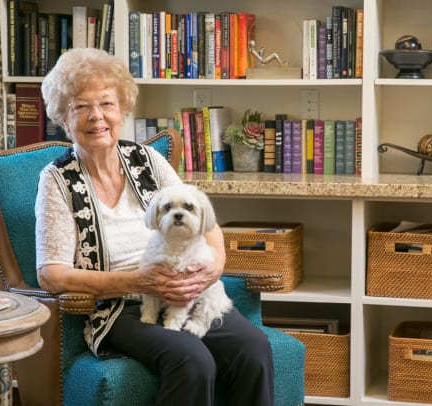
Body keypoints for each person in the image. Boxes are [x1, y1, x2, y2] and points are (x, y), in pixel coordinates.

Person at [35, 47, 274, 406]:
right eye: (80, 107)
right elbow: (51, 275)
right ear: (64, 118)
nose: (96, 116)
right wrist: (137, 282)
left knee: (253, 349)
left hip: (187, 292)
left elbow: (207, 225)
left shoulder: (148, 160)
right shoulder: (57, 180)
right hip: (120, 307)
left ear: (123, 109)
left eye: (106, 104)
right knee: (192, 359)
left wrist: (212, 268)